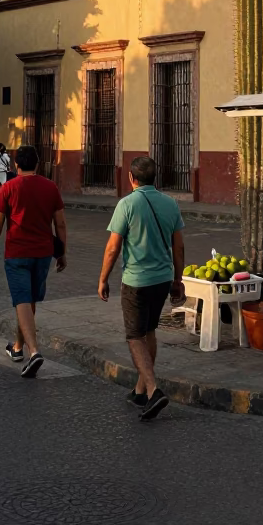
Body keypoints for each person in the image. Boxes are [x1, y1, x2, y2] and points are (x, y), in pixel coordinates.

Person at [98, 156, 185, 421]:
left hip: (136, 281)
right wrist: (177, 279)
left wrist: (103, 278)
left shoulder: (126, 204)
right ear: (155, 177)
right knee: (149, 332)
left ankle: (153, 389)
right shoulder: (171, 204)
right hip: (162, 280)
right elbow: (178, 247)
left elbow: (113, 247)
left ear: (131, 178)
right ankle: (139, 390)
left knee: (134, 336)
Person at [0, 144, 66, 379]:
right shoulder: (50, 187)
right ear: (38, 164)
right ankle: (18, 347)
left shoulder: (8, 188)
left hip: (17, 252)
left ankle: (34, 352)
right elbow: (60, 223)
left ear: (16, 165)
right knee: (29, 301)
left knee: (22, 300)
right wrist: (62, 252)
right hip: (43, 253)